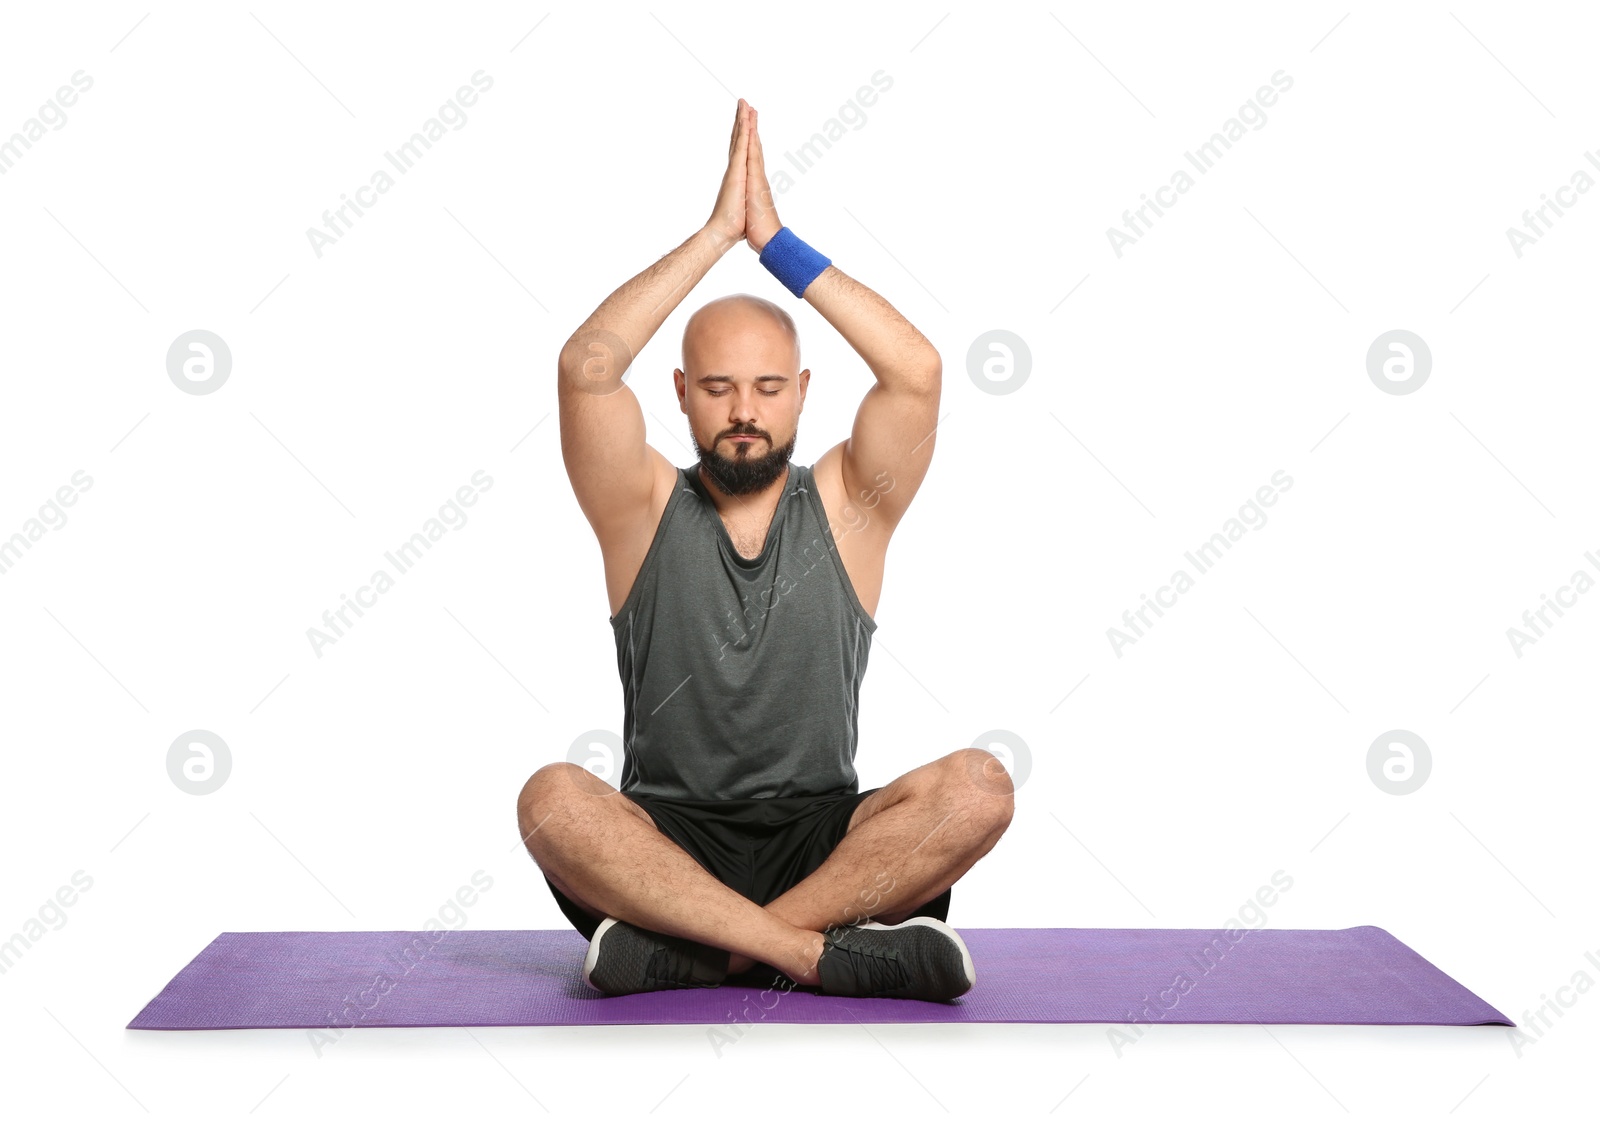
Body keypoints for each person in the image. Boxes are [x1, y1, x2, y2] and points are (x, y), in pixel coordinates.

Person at [516, 98, 1013, 1002]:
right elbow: (587, 366)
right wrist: (717, 235)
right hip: (666, 847)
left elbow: (919, 371)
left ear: (803, 393)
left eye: (768, 387)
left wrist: (774, 242)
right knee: (550, 798)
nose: (744, 410)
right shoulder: (639, 507)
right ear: (679, 394)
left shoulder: (852, 505)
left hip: (825, 839)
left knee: (981, 787)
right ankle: (817, 955)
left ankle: (711, 952)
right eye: (717, 387)